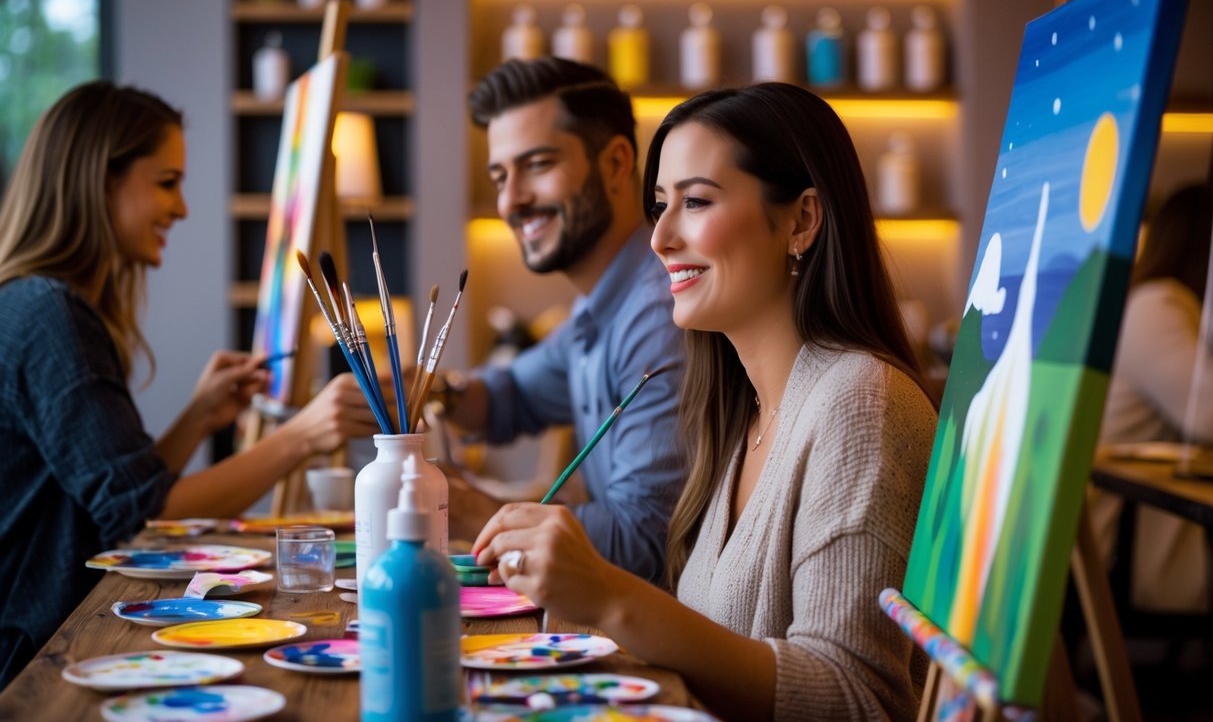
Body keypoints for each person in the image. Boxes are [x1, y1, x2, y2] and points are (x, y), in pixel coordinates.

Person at [473, 83, 938, 721]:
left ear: (801, 220)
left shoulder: (861, 404)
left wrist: (611, 596)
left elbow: (857, 699)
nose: (659, 237)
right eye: (660, 204)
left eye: (695, 201)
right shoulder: (740, 412)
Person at [0, 81, 380, 688]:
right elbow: (141, 516)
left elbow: (113, 492)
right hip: (31, 659)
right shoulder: (49, 315)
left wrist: (199, 417)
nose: (181, 209)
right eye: (167, 182)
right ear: (101, 179)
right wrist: (304, 435)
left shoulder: (36, 306)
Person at [432, 57, 685, 584]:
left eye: (538, 165)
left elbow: (645, 540)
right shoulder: (598, 306)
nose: (511, 200)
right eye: (500, 176)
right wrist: (438, 393)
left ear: (617, 162)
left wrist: (471, 510)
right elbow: (512, 396)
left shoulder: (658, 312)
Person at [1094, 183, 1213, 613]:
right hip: (1127, 544)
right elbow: (1207, 416)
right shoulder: (1157, 307)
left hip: (1134, 528)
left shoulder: (1152, 304)